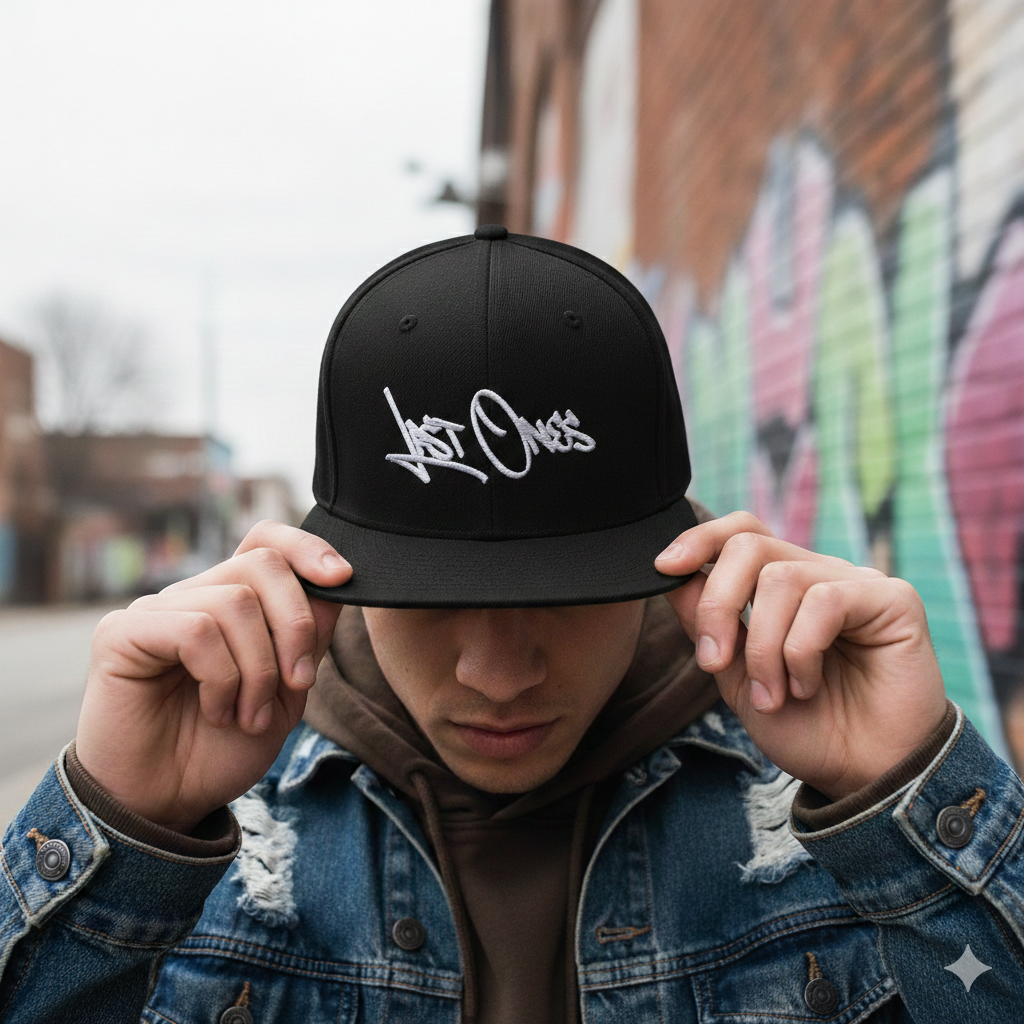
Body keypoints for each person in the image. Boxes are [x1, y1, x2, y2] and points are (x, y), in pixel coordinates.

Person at [1, 227, 1021, 1024]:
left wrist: (914, 796)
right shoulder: (210, 836)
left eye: (564, 591)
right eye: (432, 595)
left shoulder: (831, 820)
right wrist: (118, 832)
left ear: (673, 562)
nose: (497, 672)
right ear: (331, 569)